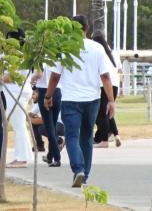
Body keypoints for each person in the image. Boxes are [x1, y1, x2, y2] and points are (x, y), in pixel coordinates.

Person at [44, 15, 115, 188]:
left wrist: (47, 96)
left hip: (70, 99)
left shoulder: (64, 48)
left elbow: (54, 76)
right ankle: (86, 174)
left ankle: (78, 170)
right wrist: (111, 100)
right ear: (87, 28)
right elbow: (105, 76)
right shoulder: (97, 48)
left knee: (72, 136)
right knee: (86, 137)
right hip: (92, 99)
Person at [3, 29, 33, 168]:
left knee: (19, 125)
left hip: (17, 92)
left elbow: (10, 77)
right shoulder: (21, 56)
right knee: (18, 125)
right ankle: (22, 155)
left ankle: (22, 158)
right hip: (16, 91)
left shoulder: (18, 57)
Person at [93, 35, 122, 148]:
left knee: (101, 113)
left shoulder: (98, 53)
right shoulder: (112, 53)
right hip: (114, 84)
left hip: (103, 84)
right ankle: (116, 134)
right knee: (109, 111)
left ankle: (104, 140)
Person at [32, 63, 62, 167]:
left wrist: (32, 78)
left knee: (49, 127)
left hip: (44, 90)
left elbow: (39, 74)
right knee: (52, 125)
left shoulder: (40, 56)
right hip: (57, 90)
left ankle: (57, 158)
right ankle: (50, 156)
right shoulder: (57, 56)